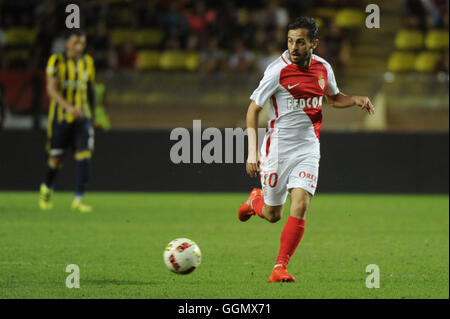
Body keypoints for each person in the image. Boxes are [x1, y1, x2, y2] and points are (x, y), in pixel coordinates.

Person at [238, 17, 375, 283]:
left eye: (300, 42)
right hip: (277, 150)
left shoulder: (324, 68)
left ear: (314, 43)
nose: (294, 47)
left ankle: (279, 268)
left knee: (300, 204)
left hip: (308, 148)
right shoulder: (277, 71)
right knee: (272, 214)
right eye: (290, 41)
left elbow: (334, 98)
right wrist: (252, 152)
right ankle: (255, 201)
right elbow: (253, 110)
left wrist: (355, 99)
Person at [39, 30, 96, 213]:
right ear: (68, 44)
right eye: (76, 42)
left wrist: (94, 114)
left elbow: (90, 89)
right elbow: (51, 89)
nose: (80, 45)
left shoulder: (88, 62)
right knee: (56, 158)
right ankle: (46, 188)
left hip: (83, 117)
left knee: (84, 154)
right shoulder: (56, 61)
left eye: (83, 42)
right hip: (61, 117)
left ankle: (78, 198)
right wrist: (68, 107)